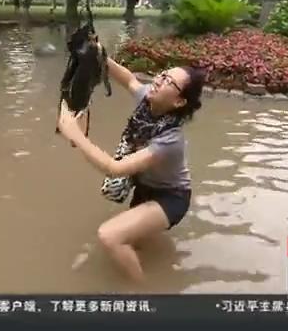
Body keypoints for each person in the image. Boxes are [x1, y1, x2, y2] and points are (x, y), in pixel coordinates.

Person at [57, 55, 205, 282]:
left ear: (178, 102)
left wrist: (74, 133)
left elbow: (115, 168)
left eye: (169, 82)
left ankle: (141, 290)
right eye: (163, 74)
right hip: (144, 188)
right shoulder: (150, 103)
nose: (158, 80)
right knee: (132, 243)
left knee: (110, 236)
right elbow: (128, 79)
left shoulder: (171, 140)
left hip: (171, 198)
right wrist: (102, 57)